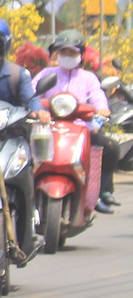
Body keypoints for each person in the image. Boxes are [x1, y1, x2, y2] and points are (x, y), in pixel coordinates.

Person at [35, 30, 117, 212]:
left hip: (82, 129)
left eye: (72, 53)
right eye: (63, 52)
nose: (67, 56)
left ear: (81, 54)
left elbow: (98, 97)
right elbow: (32, 93)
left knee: (111, 147)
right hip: (48, 127)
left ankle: (99, 192)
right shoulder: (47, 73)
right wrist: (34, 108)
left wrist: (102, 110)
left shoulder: (88, 78)